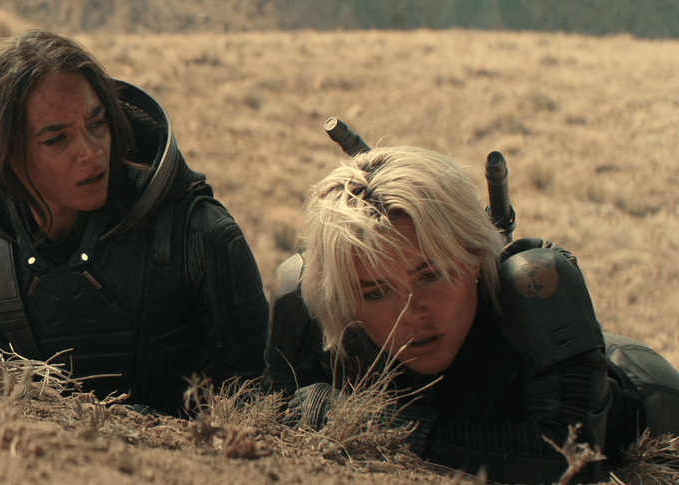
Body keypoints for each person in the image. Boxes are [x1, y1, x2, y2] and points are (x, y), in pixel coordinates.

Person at [265, 145, 679, 483]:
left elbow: (568, 461)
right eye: (375, 292)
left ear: (477, 258)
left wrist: (375, 424)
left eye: (433, 275)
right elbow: (275, 416)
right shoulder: (310, 301)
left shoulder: (537, 284)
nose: (412, 312)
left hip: (648, 398)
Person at [0, 30, 270, 414]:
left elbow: (259, 397)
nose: (92, 153)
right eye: (57, 139)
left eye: (96, 124)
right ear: (5, 152)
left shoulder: (199, 234)